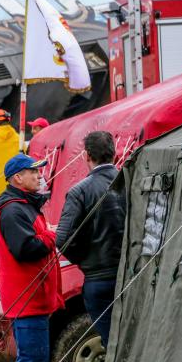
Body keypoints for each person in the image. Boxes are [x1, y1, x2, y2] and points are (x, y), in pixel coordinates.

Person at [0, 154, 64, 362]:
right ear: (18, 178)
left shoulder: (24, 206)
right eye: (34, 172)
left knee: (35, 361)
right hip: (27, 300)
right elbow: (26, 248)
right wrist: (52, 235)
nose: (39, 176)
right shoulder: (13, 210)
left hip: (33, 299)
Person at [55, 131, 124, 348]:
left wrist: (84, 259)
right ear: (113, 153)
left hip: (99, 277)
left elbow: (63, 238)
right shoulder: (132, 181)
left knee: (112, 344)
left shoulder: (80, 191)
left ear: (87, 156)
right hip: (132, 273)